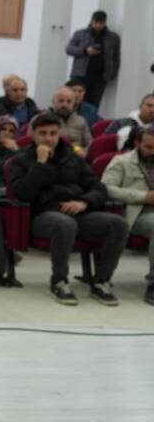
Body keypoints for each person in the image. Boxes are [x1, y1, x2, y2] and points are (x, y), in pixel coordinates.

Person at [9, 112, 128, 306]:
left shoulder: (73, 157)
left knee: (118, 224)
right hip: (43, 215)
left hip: (78, 211)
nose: (48, 138)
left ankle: (101, 281)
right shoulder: (22, 159)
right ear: (33, 134)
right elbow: (23, 194)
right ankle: (59, 280)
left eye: (53, 133)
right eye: (43, 133)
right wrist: (40, 164)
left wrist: (84, 203)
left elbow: (98, 188)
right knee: (65, 224)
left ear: (59, 133)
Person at [101, 126, 154, 305]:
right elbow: (106, 188)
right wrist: (143, 197)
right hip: (138, 212)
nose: (152, 151)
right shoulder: (122, 161)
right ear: (138, 143)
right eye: (149, 147)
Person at [66, 10, 121, 108]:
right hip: (80, 75)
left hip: (100, 78)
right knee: (74, 102)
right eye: (96, 22)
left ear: (105, 22)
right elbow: (69, 49)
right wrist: (85, 51)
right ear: (91, 21)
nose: (98, 25)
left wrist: (112, 73)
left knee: (94, 105)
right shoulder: (80, 33)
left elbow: (116, 57)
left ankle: (91, 123)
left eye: (101, 23)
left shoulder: (113, 37)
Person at [49, 85, 92, 150]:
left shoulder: (81, 121)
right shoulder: (42, 119)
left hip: (76, 155)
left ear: (74, 104)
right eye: (61, 101)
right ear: (53, 102)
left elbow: (90, 143)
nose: (64, 104)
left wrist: (85, 152)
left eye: (69, 101)